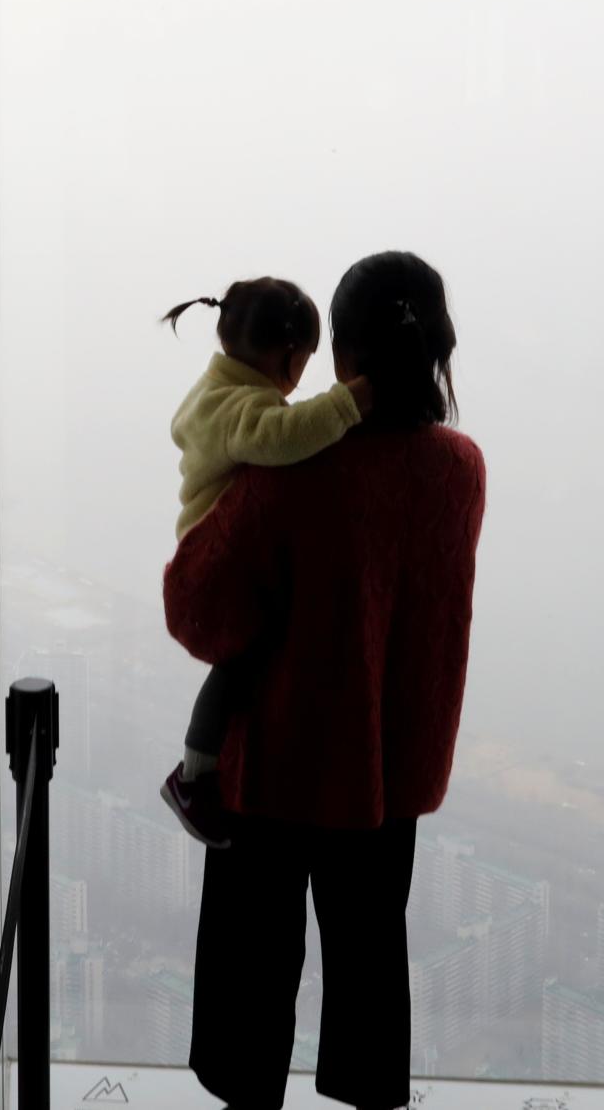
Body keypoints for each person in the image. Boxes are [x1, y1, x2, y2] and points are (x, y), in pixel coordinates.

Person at [163, 251, 486, 1110]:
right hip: (388, 778)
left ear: (342, 357)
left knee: (250, 996)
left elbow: (198, 614)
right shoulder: (461, 472)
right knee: (370, 973)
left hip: (273, 771)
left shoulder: (292, 472)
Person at [158, 276, 373, 847]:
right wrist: (348, 403)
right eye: (305, 360)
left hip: (215, 557)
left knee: (246, 664)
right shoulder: (238, 410)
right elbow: (281, 436)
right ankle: (194, 775)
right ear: (286, 355)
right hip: (212, 566)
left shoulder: (219, 392)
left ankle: (203, 769)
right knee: (243, 662)